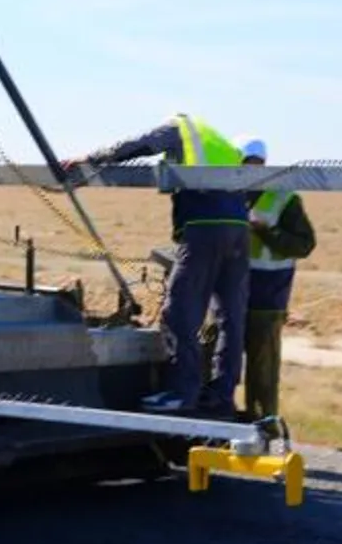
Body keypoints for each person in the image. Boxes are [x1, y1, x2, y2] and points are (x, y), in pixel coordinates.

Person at [64, 113, 248, 415]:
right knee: (230, 317)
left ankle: (182, 392)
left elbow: (141, 145)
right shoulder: (219, 140)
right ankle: (221, 395)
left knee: (179, 312)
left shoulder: (180, 127)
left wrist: (91, 158)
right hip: (239, 230)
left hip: (204, 226)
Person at [237, 137, 316, 418]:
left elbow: (304, 244)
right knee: (217, 361)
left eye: (257, 163)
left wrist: (266, 232)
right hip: (229, 295)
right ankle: (216, 421)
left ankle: (263, 424)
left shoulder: (284, 198)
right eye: (247, 163)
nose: (253, 169)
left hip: (267, 298)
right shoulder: (228, 193)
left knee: (263, 370)